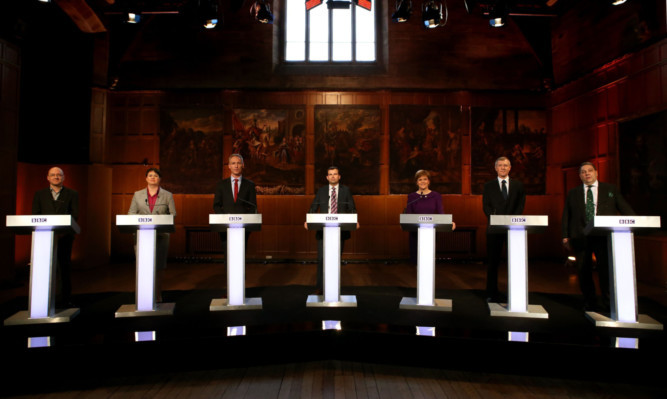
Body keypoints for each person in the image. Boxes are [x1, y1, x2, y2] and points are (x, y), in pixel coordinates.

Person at [562, 162, 635, 311]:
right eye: (583, 172)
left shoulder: (610, 189)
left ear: (596, 173)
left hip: (603, 236)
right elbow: (566, 216)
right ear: (580, 175)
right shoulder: (573, 192)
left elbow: (625, 209)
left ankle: (608, 302)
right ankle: (590, 301)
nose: (587, 174)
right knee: (584, 270)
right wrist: (565, 236)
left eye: (590, 171)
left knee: (605, 269)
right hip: (580, 236)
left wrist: (635, 221)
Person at [304, 166, 358, 293]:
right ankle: (321, 287)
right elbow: (313, 207)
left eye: (335, 174)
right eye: (330, 174)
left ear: (339, 176)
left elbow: (352, 208)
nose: (333, 176)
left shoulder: (346, 191)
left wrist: (355, 220)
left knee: (336, 258)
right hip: (323, 230)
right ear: (327, 177)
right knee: (322, 259)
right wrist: (308, 220)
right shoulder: (322, 191)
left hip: (340, 230)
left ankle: (334, 288)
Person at [32, 167, 79, 307]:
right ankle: (42, 299)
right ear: (48, 178)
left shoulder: (72, 194)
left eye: (59, 175)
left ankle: (65, 299)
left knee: (64, 267)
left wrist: (62, 232)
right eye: (53, 175)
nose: (56, 177)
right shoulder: (39, 194)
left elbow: (74, 215)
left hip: (65, 237)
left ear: (63, 178)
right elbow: (35, 215)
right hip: (44, 238)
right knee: (44, 269)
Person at [128, 167, 176, 303]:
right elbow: (131, 213)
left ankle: (157, 294)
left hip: (161, 235)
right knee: (142, 266)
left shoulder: (167, 195)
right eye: (150, 175)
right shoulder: (137, 195)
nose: (153, 177)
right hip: (142, 235)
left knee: (159, 266)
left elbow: (173, 214)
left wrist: (159, 220)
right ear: (146, 178)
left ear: (159, 179)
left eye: (155, 175)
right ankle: (143, 297)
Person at [482, 157, 526, 303]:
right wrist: (496, 219)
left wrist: (511, 221)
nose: (502, 168)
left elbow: (520, 205)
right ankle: (491, 293)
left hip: (513, 230)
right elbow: (486, 207)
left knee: (514, 262)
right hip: (494, 230)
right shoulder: (488, 186)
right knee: (493, 263)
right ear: (495, 168)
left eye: (505, 165)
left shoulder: (518, 186)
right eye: (500, 165)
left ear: (510, 168)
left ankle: (514, 294)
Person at [405, 170, 455, 263]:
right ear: (416, 182)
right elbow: (408, 215)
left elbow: (441, 213)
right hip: (415, 232)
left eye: (425, 179)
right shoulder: (412, 196)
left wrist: (449, 222)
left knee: (428, 261)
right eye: (420, 179)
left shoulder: (436, 196)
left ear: (429, 181)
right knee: (416, 261)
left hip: (430, 232)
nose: (423, 181)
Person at [213, 153, 258, 243]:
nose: (236, 166)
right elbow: (216, 205)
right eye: (233, 163)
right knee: (228, 254)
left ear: (243, 165)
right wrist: (224, 219)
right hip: (225, 227)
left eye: (238, 163)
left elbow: (253, 206)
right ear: (229, 166)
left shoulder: (250, 185)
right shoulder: (221, 185)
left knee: (240, 255)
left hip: (243, 227)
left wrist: (246, 221)